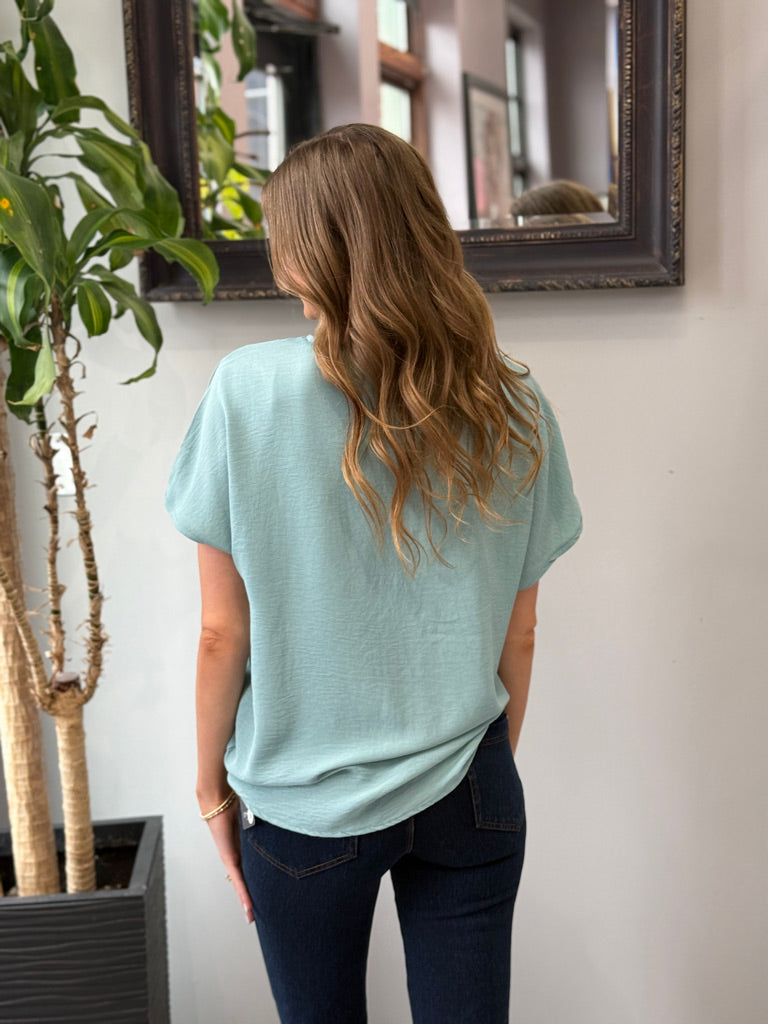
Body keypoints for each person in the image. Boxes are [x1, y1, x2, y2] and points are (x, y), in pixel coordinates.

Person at [165, 123, 581, 1024]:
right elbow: (520, 631)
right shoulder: (511, 399)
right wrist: (479, 770)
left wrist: (208, 790)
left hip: (304, 803)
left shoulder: (246, 392)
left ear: (309, 250)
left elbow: (221, 634)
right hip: (470, 780)